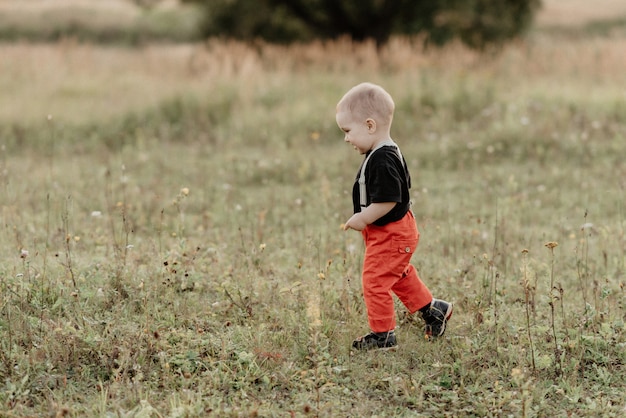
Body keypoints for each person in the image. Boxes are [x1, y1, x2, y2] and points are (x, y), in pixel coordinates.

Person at [336, 82, 453, 350]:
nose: (346, 139)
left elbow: (389, 199)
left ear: (369, 125)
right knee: (397, 274)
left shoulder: (383, 158)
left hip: (391, 232)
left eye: (347, 131)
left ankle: (383, 335)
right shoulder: (383, 151)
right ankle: (434, 310)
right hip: (393, 231)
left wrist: (364, 218)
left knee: (375, 281)